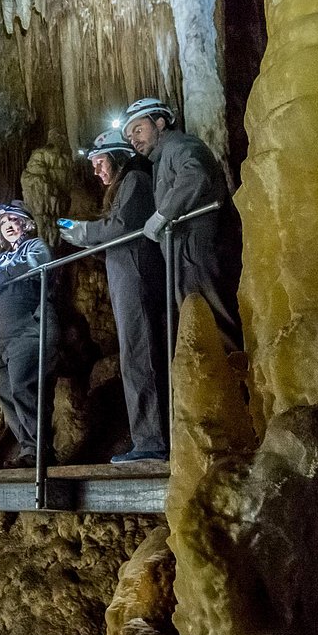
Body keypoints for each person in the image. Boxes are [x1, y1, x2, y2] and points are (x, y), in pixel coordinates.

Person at [58, 130, 169, 462]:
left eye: (100, 161)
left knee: (140, 356)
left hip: (136, 275)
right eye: (92, 164)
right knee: (135, 357)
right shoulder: (127, 185)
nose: (96, 171)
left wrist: (84, 232)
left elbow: (120, 226)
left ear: (118, 157)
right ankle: (150, 439)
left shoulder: (134, 179)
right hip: (128, 274)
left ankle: (153, 442)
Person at [121, 97, 242, 351]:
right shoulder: (162, 159)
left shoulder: (179, 145)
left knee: (213, 320)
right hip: (186, 254)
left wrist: (163, 213)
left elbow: (195, 172)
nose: (134, 140)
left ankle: (235, 382)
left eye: (138, 129)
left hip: (197, 250)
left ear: (161, 122)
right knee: (200, 323)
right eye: (130, 137)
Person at [0, 200, 56, 468]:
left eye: (13, 221)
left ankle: (40, 451)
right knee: (5, 392)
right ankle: (30, 448)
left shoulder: (35, 247)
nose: (8, 227)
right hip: (3, 336)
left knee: (23, 387)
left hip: (31, 328)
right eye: (3, 223)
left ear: (26, 224)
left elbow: (34, 264)